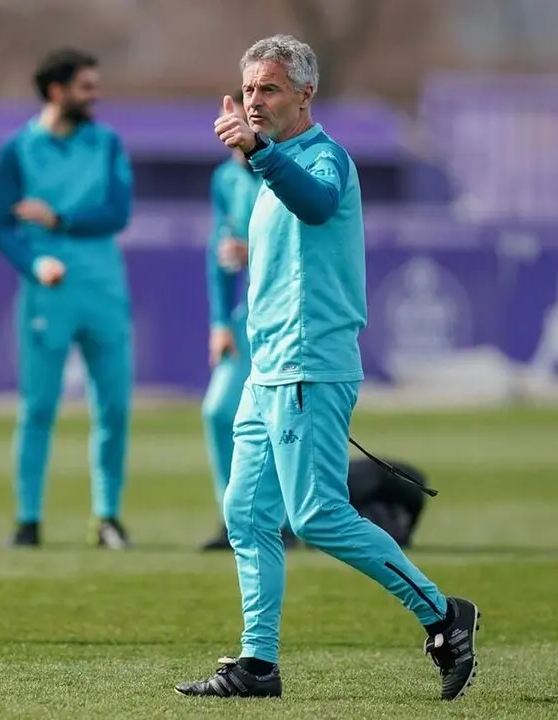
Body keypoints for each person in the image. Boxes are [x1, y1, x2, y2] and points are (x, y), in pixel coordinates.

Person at [174, 35, 480, 701]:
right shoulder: (267, 169)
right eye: (249, 89)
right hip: (269, 368)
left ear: (304, 95)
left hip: (311, 366)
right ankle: (258, 664)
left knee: (314, 514)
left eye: (270, 89)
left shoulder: (324, 158)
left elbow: (314, 204)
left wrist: (258, 155)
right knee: (248, 514)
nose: (256, 101)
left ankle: (442, 613)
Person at [0, 48, 134, 549]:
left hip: (104, 291)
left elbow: (118, 212)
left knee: (114, 407)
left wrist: (58, 219)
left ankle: (107, 517)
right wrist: (34, 263)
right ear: (57, 91)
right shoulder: (15, 152)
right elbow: (2, 226)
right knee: (37, 409)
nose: (95, 95)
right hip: (47, 295)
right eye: (85, 87)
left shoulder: (108, 143)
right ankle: (27, 521)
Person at [199, 88, 262, 551]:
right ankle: (234, 517)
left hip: (286, 316)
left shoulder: (282, 173)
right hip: (245, 317)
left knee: (280, 421)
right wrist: (220, 321)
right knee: (219, 411)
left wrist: (253, 251)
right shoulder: (225, 180)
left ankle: (279, 519)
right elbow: (219, 253)